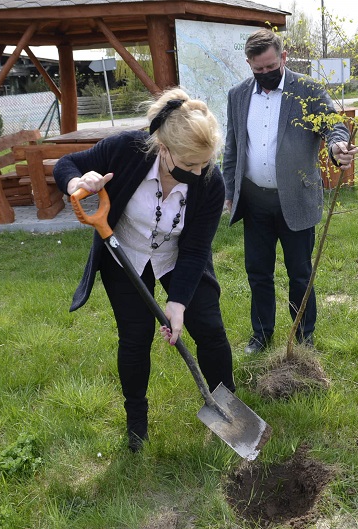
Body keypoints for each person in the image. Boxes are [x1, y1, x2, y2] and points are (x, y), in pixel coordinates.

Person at [53, 88, 235, 452]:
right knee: (135, 340)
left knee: (211, 332)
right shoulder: (125, 150)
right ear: (164, 150)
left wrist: (178, 302)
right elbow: (65, 165)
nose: (200, 173)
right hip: (126, 259)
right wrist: (79, 183)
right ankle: (136, 426)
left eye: (205, 164)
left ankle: (227, 412)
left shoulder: (209, 183)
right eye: (191, 165)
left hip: (178, 258)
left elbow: (197, 247)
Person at [222, 28, 358, 354]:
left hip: (296, 199)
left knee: (300, 273)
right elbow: (233, 148)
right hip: (255, 201)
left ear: (283, 57)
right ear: (249, 64)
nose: (266, 74)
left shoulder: (307, 90)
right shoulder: (238, 95)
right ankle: (261, 335)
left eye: (271, 67)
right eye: (259, 70)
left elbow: (332, 124)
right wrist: (230, 191)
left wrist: (338, 145)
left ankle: (303, 337)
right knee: (258, 272)